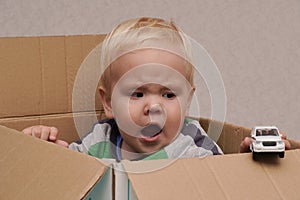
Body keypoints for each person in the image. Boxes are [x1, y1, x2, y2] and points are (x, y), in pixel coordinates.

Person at [23, 17, 223, 161]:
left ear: (187, 102)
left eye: (168, 94)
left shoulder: (192, 146)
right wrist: (46, 150)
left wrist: (249, 158)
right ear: (109, 103)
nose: (153, 107)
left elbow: (227, 179)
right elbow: (70, 175)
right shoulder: (99, 141)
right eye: (137, 94)